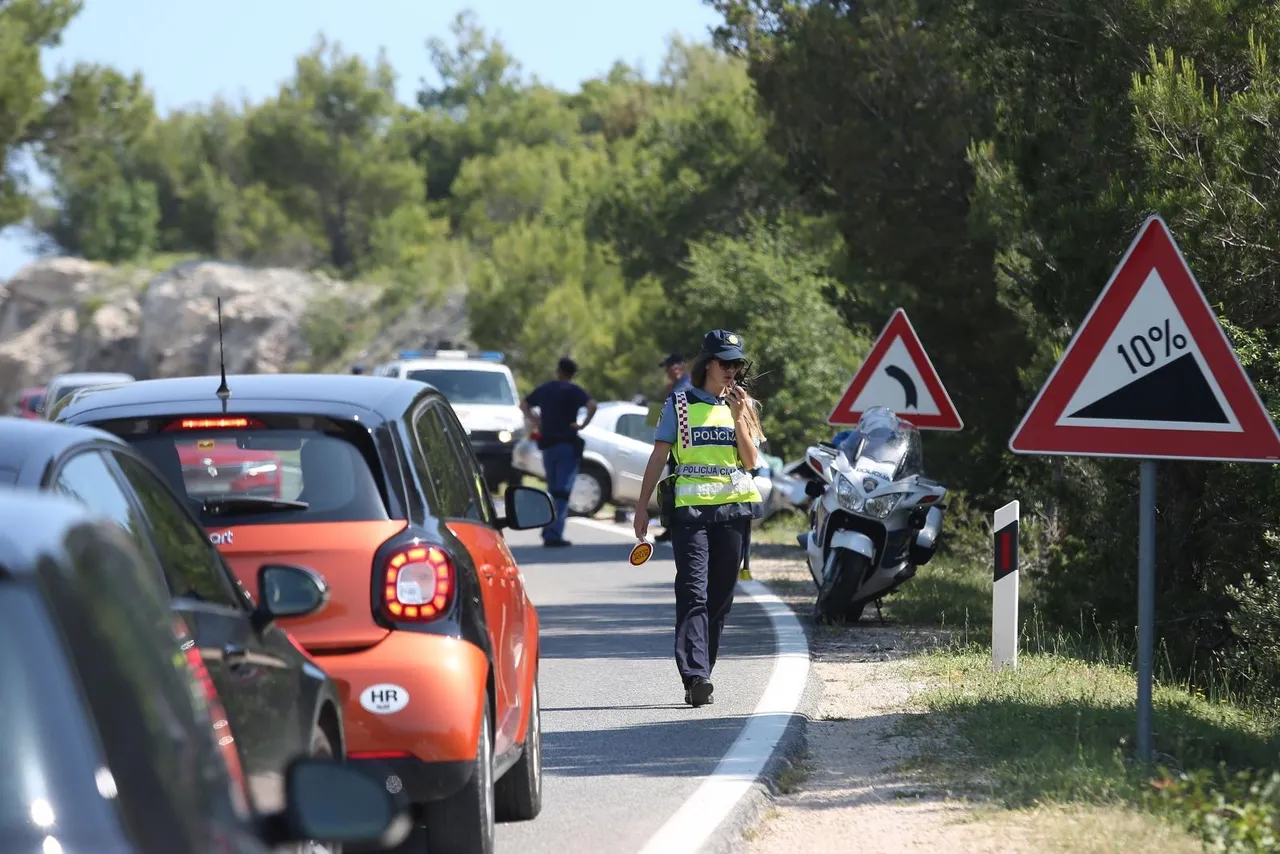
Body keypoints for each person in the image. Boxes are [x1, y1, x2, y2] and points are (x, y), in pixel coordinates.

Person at [634, 329, 765, 707]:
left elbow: (752, 461)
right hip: (690, 513)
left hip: (734, 512)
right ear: (707, 363)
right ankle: (696, 676)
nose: (732, 371)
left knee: (720, 598)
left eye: (737, 364)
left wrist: (740, 417)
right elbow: (659, 457)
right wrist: (642, 506)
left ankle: (702, 670)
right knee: (693, 591)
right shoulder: (677, 403)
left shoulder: (744, 405)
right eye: (725, 363)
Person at [521, 356, 597, 547]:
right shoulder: (574, 391)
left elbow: (524, 403)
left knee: (552, 488)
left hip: (548, 445)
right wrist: (582, 425)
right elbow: (592, 405)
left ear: (558, 371)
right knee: (562, 491)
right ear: (572, 374)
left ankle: (548, 529)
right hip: (567, 445)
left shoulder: (546, 389)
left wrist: (534, 420)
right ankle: (553, 533)